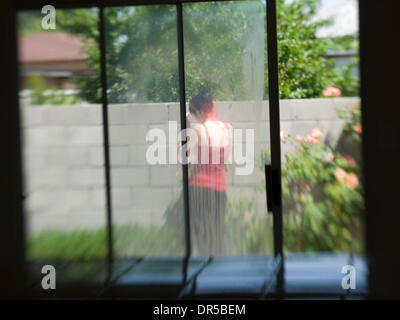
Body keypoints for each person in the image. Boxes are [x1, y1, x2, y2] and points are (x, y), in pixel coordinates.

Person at [184, 90, 232, 256]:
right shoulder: (227, 128)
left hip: (199, 188)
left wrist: (186, 127)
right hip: (220, 189)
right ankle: (222, 273)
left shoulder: (198, 129)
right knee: (219, 231)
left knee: (202, 234)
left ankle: (205, 273)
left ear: (197, 112)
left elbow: (183, 155)